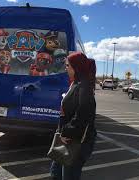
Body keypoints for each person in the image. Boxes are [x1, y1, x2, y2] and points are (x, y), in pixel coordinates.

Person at [50, 52, 97, 180]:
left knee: (68, 176)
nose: (65, 68)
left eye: (67, 65)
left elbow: (84, 113)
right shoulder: (76, 83)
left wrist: (67, 132)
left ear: (76, 67)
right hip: (67, 140)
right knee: (55, 173)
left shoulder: (84, 86)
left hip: (76, 143)